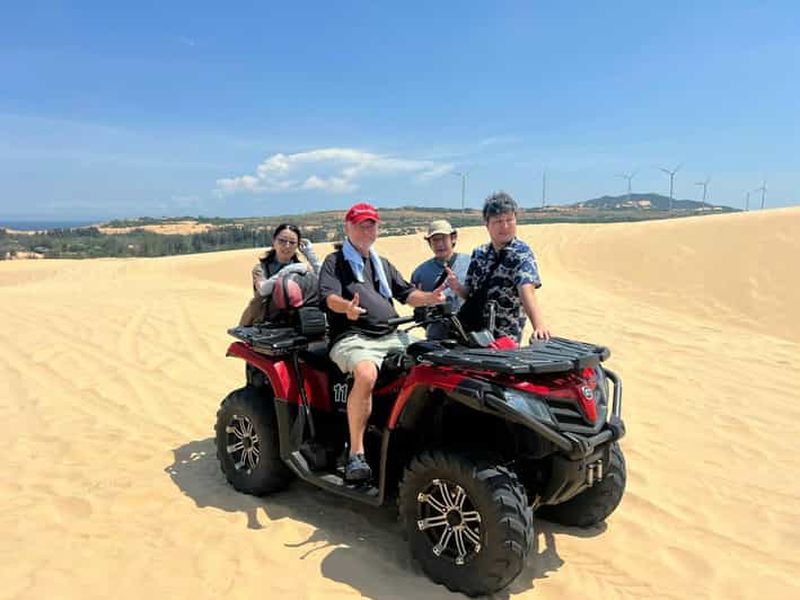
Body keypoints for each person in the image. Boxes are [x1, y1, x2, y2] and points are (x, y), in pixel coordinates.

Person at [318, 202, 445, 482]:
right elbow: (329, 297)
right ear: (348, 227)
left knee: (435, 358)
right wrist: (346, 309)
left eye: (372, 223)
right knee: (365, 373)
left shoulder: (381, 263)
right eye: (362, 223)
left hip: (391, 335)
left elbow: (406, 293)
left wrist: (431, 298)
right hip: (352, 338)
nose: (368, 228)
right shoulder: (335, 262)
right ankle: (356, 454)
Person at [458, 192, 550, 343]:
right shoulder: (479, 253)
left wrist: (539, 326)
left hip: (505, 338)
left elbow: (527, 290)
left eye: (509, 220)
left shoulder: (521, 254)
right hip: (475, 335)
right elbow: (470, 294)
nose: (505, 226)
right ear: (487, 225)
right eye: (498, 221)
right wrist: (456, 287)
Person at [410, 219, 470, 340]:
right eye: (435, 240)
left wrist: (458, 288)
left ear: (453, 238)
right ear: (429, 243)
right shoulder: (419, 273)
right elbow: (418, 309)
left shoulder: (471, 263)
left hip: (468, 334)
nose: (439, 244)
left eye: (443, 238)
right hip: (437, 337)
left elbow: (478, 298)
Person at [251, 223, 321, 303]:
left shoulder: (301, 268)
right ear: (274, 242)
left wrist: (310, 255)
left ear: (297, 245)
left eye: (292, 242)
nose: (287, 246)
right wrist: (288, 270)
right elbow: (263, 289)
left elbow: (323, 282)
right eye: (282, 241)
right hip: (268, 314)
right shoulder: (261, 269)